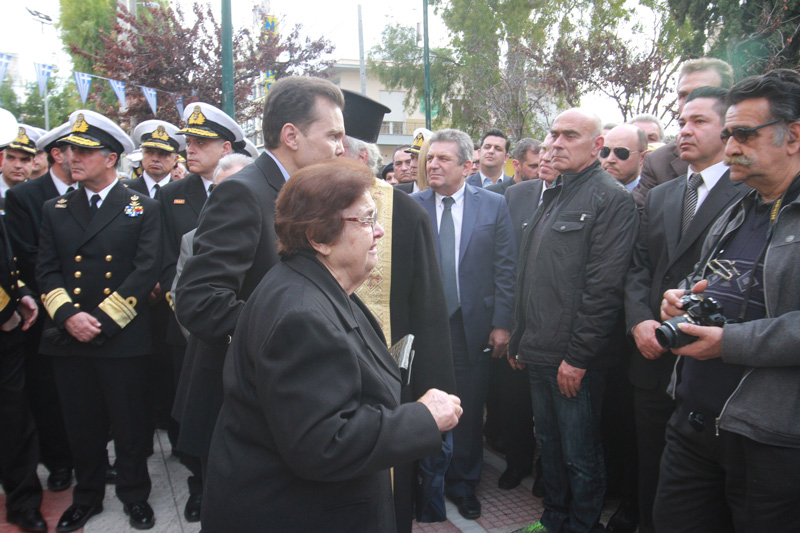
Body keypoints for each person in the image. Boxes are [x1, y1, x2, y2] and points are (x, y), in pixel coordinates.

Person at [201, 158, 462, 531]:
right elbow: (324, 444)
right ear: (319, 238)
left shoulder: (313, 285)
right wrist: (423, 417)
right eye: (366, 220)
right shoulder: (301, 316)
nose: (380, 232)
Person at [173, 76, 346, 492]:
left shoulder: (300, 194)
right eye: (333, 135)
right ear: (291, 136)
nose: (341, 148)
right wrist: (290, 333)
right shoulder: (243, 193)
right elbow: (199, 300)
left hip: (278, 398)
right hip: (237, 404)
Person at [654, 69, 800, 533]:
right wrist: (679, 299)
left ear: (794, 136)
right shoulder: (738, 208)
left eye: (744, 134)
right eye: (728, 134)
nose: (730, 146)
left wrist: (730, 343)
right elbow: (708, 280)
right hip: (693, 422)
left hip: (770, 442)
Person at [624, 86, 746, 533]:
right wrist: (640, 320)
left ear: (728, 129)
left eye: (699, 122)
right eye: (681, 123)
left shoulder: (747, 193)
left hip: (710, 367)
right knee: (651, 472)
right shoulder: (663, 195)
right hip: (652, 356)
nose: (685, 132)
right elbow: (639, 266)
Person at [509, 108, 638, 533]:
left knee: (580, 453)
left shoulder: (611, 199)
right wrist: (520, 339)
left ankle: (582, 525)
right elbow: (528, 276)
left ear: (597, 145)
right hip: (540, 350)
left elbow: (604, 289)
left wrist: (578, 357)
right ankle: (553, 519)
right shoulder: (555, 192)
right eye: (553, 134)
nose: (556, 143)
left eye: (570, 135)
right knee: (549, 445)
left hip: (574, 360)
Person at [36, 109, 161, 531]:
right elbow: (46, 270)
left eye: (85, 151)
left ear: (110, 159)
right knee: (81, 425)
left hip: (120, 336)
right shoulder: (55, 208)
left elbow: (146, 269)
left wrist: (102, 321)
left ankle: (134, 495)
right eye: (71, 150)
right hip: (69, 336)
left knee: (129, 424)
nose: (73, 157)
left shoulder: (142, 207)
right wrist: (69, 316)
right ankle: (86, 497)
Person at [340, 90, 456, 531]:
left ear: (359, 156)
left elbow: (428, 310)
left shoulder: (403, 213)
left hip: (391, 386)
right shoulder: (307, 209)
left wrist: (437, 394)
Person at [412, 128, 517, 520]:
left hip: (470, 326)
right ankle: (426, 482)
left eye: (443, 158)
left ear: (467, 166)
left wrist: (502, 323)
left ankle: (463, 484)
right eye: (430, 158)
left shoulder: (493, 205)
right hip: (423, 328)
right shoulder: (411, 205)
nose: (433, 165)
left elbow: (506, 269)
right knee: (423, 404)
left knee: (468, 409)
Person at [5, 121, 76, 494]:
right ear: (57, 154)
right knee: (48, 391)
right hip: (47, 310)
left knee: (85, 392)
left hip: (95, 310)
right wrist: (67, 299)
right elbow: (29, 256)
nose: (81, 156)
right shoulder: (25, 197)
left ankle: (90, 457)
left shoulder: (93, 192)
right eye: (76, 149)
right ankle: (59, 461)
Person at [0, 110, 48, 533]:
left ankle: (23, 500)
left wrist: (20, 294)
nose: (13, 163)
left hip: (8, 325)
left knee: (14, 414)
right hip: (4, 318)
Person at [632, 58, 734, 209]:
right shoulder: (658, 162)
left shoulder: (751, 165)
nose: (690, 102)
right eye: (683, 95)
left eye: (701, 92)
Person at [602, 124, 647, 192]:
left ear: (642, 157)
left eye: (621, 152)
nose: (610, 159)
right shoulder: (587, 190)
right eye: (605, 151)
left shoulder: (652, 195)